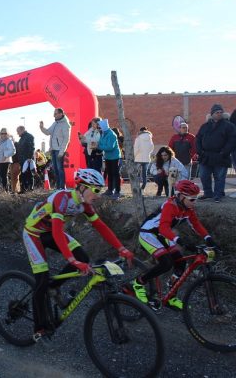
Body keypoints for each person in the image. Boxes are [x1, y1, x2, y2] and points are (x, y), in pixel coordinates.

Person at [22, 168, 133, 342]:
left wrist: (121, 249)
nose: (98, 195)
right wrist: (71, 260)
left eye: (100, 190)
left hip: (51, 231)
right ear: (81, 187)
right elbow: (58, 232)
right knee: (41, 281)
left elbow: (101, 227)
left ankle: (54, 286)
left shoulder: (84, 205)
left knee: (83, 257)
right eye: (95, 190)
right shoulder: (62, 199)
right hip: (34, 233)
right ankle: (39, 328)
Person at [132, 180, 217, 310]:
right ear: (181, 196)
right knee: (166, 263)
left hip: (162, 235)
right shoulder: (170, 205)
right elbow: (163, 228)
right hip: (148, 233)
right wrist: (179, 241)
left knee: (180, 263)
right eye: (192, 199)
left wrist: (208, 238)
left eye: (196, 199)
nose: (195, 202)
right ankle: (138, 283)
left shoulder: (188, 209)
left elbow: (196, 224)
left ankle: (171, 296)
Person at [195, 104, 236, 203]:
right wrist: (200, 151)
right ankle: (208, 193)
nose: (219, 114)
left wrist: (224, 152)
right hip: (206, 156)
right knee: (204, 175)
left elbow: (232, 140)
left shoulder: (229, 126)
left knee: (219, 177)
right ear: (212, 113)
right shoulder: (205, 126)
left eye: (221, 112)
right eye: (217, 112)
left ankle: (218, 195)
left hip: (221, 156)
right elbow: (198, 138)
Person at [40, 108, 71, 189]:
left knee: (60, 169)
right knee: (55, 169)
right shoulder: (55, 123)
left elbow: (66, 139)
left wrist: (61, 151)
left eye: (56, 113)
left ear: (61, 114)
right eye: (54, 113)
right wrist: (42, 128)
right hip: (53, 149)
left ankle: (62, 187)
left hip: (59, 150)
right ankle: (58, 187)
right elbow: (48, 132)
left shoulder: (65, 124)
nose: (54, 115)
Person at [97, 119, 121, 199]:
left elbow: (110, 147)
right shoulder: (103, 133)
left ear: (103, 127)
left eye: (100, 127)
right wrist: (97, 145)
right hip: (108, 157)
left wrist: (98, 147)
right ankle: (110, 189)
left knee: (115, 174)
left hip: (114, 157)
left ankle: (117, 191)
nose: (99, 128)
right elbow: (101, 143)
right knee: (110, 173)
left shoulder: (111, 134)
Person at [0, 128, 15, 192]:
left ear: (7, 134)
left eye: (4, 133)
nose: (3, 135)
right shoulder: (0, 141)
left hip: (5, 161)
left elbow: (13, 150)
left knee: (4, 177)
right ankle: (3, 191)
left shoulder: (8, 141)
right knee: (1, 177)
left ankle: (6, 191)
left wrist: (5, 156)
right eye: (1, 133)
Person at [16, 125, 35, 192]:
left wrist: (29, 157)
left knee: (29, 174)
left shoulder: (29, 136)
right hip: (22, 159)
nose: (17, 133)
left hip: (27, 159)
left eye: (18, 131)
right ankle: (23, 189)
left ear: (22, 130)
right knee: (23, 175)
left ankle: (30, 189)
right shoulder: (22, 138)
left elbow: (31, 148)